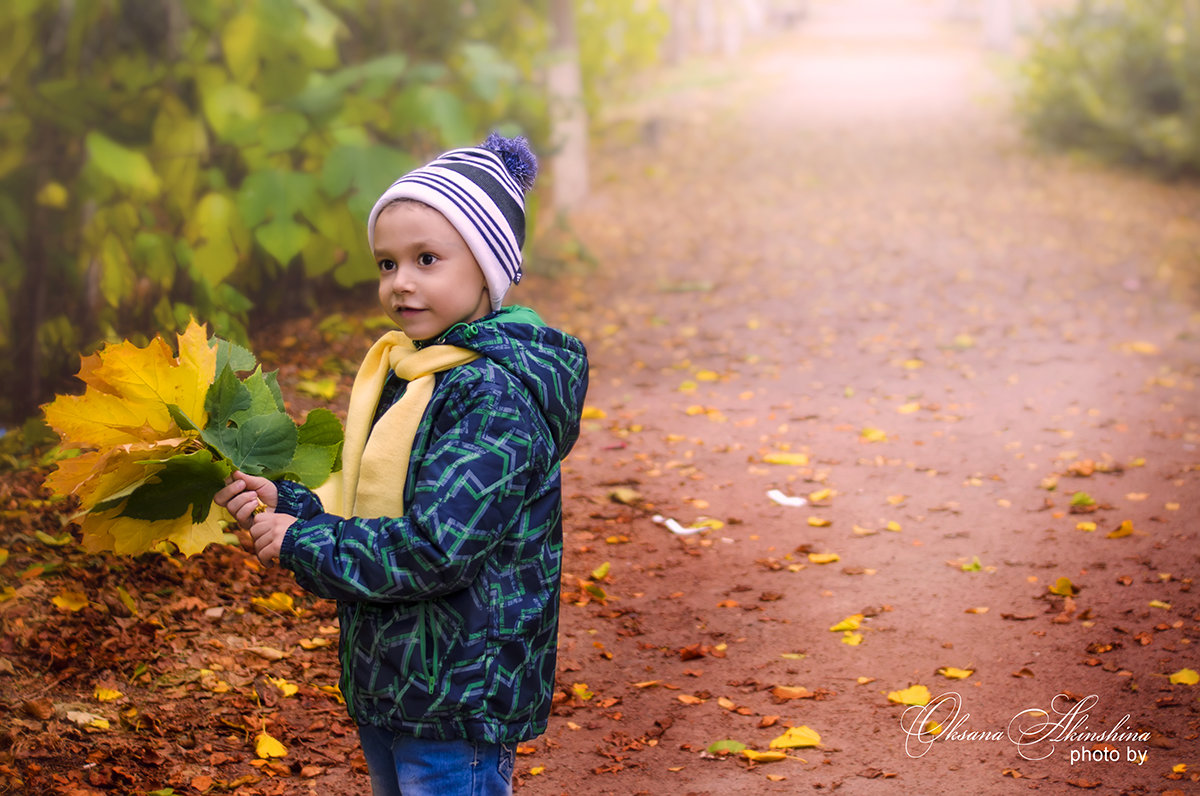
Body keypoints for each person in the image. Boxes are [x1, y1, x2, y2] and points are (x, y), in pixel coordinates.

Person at [215, 133, 589, 796]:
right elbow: (378, 506)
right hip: (398, 678)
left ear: (485, 268)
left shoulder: (492, 395)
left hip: (458, 689)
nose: (401, 282)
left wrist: (303, 542)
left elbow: (437, 548)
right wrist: (290, 504)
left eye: (426, 259)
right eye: (387, 264)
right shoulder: (411, 370)